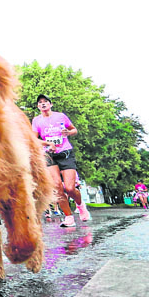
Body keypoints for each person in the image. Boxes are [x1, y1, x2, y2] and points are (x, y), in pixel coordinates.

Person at [32, 94, 91, 228]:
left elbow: (74, 129)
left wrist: (68, 133)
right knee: (57, 188)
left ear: (50, 104)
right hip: (49, 156)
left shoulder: (60, 116)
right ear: (38, 106)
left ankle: (81, 206)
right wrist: (47, 143)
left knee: (70, 188)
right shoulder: (36, 120)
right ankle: (69, 217)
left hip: (65, 153)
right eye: (40, 102)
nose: (43, 104)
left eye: (45, 102)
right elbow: (33, 139)